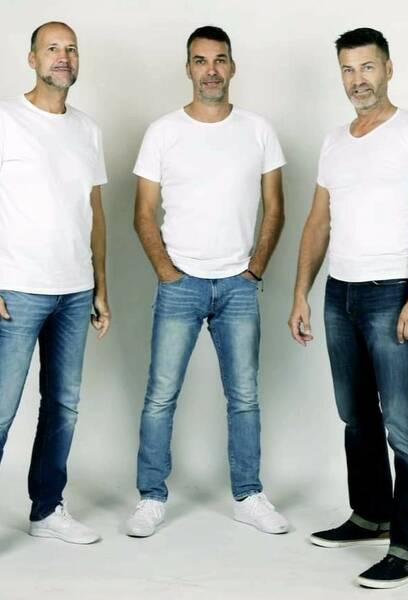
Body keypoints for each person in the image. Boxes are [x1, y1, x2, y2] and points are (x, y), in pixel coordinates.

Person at [288, 27, 408, 589]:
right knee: (356, 414)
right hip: (341, 293)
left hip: (393, 291)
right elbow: (318, 222)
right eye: (348, 69)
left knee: (404, 423)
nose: (358, 80)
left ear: (388, 68)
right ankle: (372, 514)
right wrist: (301, 292)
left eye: (367, 67)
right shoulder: (335, 141)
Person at [127, 26, 288, 537]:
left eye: (220, 60)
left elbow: (275, 207)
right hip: (180, 283)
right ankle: (151, 497)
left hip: (238, 285)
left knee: (244, 397)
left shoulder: (258, 130)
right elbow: (143, 212)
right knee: (160, 395)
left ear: (232, 67)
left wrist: (254, 268)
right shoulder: (163, 131)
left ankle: (248, 494)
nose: (211, 70)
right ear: (188, 68)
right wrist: (166, 272)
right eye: (201, 61)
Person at [0, 22, 110, 544]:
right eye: (52, 49)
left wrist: (100, 284)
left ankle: (47, 510)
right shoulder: (5, 119)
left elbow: (94, 212)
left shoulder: (87, 129)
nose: (63, 57)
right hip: (17, 288)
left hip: (75, 289)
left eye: (71, 48)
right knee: (1, 409)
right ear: (32, 59)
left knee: (62, 405)